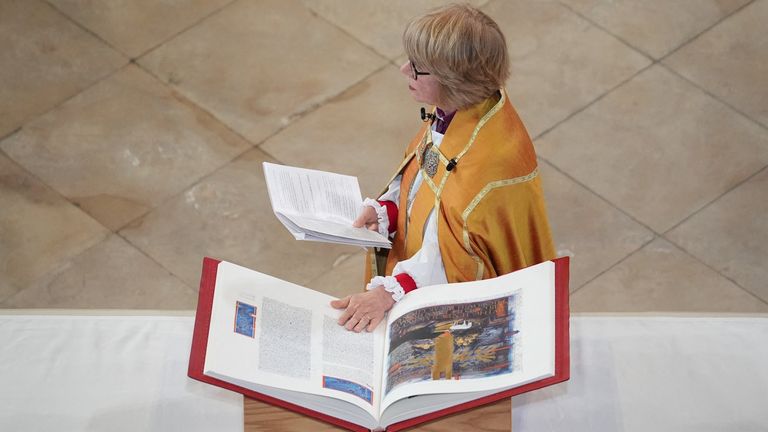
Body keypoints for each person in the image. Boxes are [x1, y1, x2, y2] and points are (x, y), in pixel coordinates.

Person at [331, 4, 555, 332]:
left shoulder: (489, 162)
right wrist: (389, 210)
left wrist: (388, 293)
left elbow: (455, 255)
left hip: (455, 307)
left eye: (417, 68)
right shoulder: (456, 111)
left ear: (452, 80)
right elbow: (423, 175)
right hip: (418, 263)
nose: (403, 70)